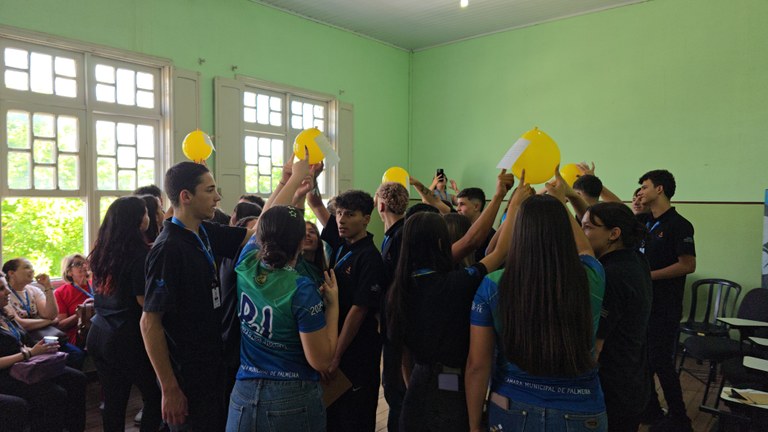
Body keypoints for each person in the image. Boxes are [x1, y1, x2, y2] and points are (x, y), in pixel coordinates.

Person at [466, 172, 607, 432]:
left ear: (519, 233)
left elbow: (478, 365)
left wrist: (474, 426)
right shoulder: (592, 276)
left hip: (511, 404)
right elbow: (585, 249)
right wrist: (559, 201)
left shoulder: (493, 285)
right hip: (581, 408)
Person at [387, 170, 521, 432]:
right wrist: (512, 205)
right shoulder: (454, 283)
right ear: (442, 242)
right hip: (449, 390)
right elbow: (498, 253)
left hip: (417, 384)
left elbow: (403, 356)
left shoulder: (399, 287)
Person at [140, 161, 257, 431]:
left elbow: (258, 233)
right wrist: (169, 388)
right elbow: (149, 323)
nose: (217, 198)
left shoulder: (203, 232)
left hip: (210, 367)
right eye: (210, 190)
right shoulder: (168, 248)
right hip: (185, 376)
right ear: (186, 196)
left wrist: (290, 182)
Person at [226, 205, 339, 431]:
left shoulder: (246, 263)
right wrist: (333, 306)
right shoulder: (301, 288)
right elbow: (321, 361)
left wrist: (291, 187)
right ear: (300, 243)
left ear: (260, 236)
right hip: (292, 396)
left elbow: (264, 221)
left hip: (243, 394)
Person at [307, 188, 386, 432]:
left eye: (350, 214)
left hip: (356, 351)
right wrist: (311, 178)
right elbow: (316, 204)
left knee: (355, 416)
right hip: (334, 343)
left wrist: (336, 355)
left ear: (366, 218)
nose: (341, 220)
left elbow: (358, 311)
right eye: (339, 213)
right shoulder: (342, 243)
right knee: (334, 416)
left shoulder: (369, 257)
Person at [86, 196, 162, 432]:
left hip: (99, 332)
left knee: (114, 401)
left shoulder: (102, 251)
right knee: (155, 395)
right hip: (126, 338)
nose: (149, 217)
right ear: (138, 219)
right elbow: (143, 302)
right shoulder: (139, 255)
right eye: (146, 213)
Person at [582, 202, 652, 431]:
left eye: (587, 228)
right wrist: (571, 195)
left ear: (614, 234)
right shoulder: (635, 259)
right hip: (632, 380)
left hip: (612, 390)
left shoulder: (610, 275)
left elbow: (596, 347)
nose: (582, 234)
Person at [635, 170, 696, 431]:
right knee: (643, 360)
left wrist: (648, 276)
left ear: (659, 189)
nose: (640, 192)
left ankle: (680, 417)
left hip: (665, 306)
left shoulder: (679, 225)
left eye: (645, 187)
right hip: (644, 304)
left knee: (661, 361)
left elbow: (688, 265)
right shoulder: (644, 221)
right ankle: (651, 410)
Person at [0, 271, 87, 432]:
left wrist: (42, 348)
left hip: (26, 365)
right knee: (54, 394)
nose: (8, 292)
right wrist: (29, 353)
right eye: (2, 289)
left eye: (6, 287)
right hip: (7, 373)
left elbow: (24, 339)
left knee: (77, 378)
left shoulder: (5, 314)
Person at [2, 259, 84, 369]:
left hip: (43, 335)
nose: (32, 270)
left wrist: (47, 287)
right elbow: (21, 324)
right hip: (24, 340)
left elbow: (50, 314)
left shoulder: (33, 290)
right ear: (12, 273)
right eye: (27, 267)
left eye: (32, 268)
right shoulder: (5, 295)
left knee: (76, 354)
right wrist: (49, 322)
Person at [375, 181, 409, 432]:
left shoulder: (400, 237)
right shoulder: (394, 234)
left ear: (381, 205)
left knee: (395, 387)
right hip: (394, 321)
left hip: (398, 323)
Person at [54, 254, 93, 347]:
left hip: (100, 327)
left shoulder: (97, 285)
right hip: (79, 334)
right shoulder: (60, 293)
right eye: (78, 264)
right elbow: (61, 326)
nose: (84, 266)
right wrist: (82, 312)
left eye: (85, 263)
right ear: (69, 272)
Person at [456, 187, 495, 261]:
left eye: (462, 204)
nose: (457, 208)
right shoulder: (459, 230)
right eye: (457, 204)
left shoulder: (490, 235)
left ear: (476, 206)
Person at [295, 221, 327, 287]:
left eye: (311, 232)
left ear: (318, 241)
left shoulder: (324, 272)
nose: (307, 234)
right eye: (303, 232)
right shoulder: (294, 266)